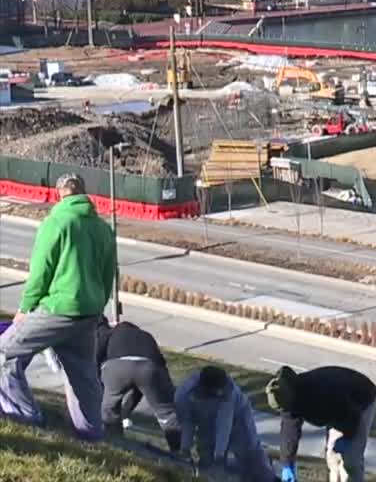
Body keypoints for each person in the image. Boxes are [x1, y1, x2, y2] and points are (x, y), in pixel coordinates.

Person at [0, 173, 117, 441]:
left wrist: (25, 307)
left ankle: (26, 417)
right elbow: (108, 273)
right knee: (83, 375)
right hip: (89, 313)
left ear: (57, 194)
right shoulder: (102, 228)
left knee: (4, 353)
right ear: (84, 194)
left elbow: (40, 272)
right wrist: (97, 304)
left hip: (58, 308)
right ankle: (91, 433)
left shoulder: (56, 222)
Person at [265, 365, 376, 482]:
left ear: (292, 397)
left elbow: (351, 415)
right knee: (332, 457)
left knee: (350, 461)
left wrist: (347, 438)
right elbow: (289, 434)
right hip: (337, 409)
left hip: (360, 400)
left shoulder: (319, 392)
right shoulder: (287, 399)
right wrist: (287, 464)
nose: (287, 412)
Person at [97, 315, 182, 452]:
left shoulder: (112, 334)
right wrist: (167, 395)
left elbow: (98, 355)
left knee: (109, 408)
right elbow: (161, 363)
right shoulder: (146, 335)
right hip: (149, 368)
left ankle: (115, 443)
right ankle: (178, 450)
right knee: (166, 414)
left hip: (117, 368)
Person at [175, 365, 275, 482]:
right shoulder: (183, 395)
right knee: (207, 455)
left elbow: (224, 424)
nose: (222, 393)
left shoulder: (229, 391)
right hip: (205, 420)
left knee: (248, 451)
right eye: (217, 392)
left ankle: (266, 477)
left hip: (239, 415)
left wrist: (219, 456)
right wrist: (185, 449)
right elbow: (187, 424)